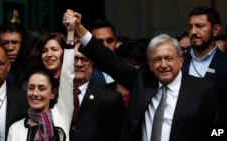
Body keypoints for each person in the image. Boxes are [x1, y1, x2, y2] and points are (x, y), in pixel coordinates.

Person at [63, 9, 219, 141]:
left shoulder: (204, 90)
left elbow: (217, 131)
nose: (163, 65)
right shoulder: (143, 82)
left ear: (180, 60)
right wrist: (79, 29)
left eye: (169, 58)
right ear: (150, 64)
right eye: (157, 60)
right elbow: (109, 61)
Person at [182, 6, 227, 123]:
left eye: (199, 26)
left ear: (216, 29)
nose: (193, 32)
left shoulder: (224, 63)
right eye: (190, 27)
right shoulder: (179, 62)